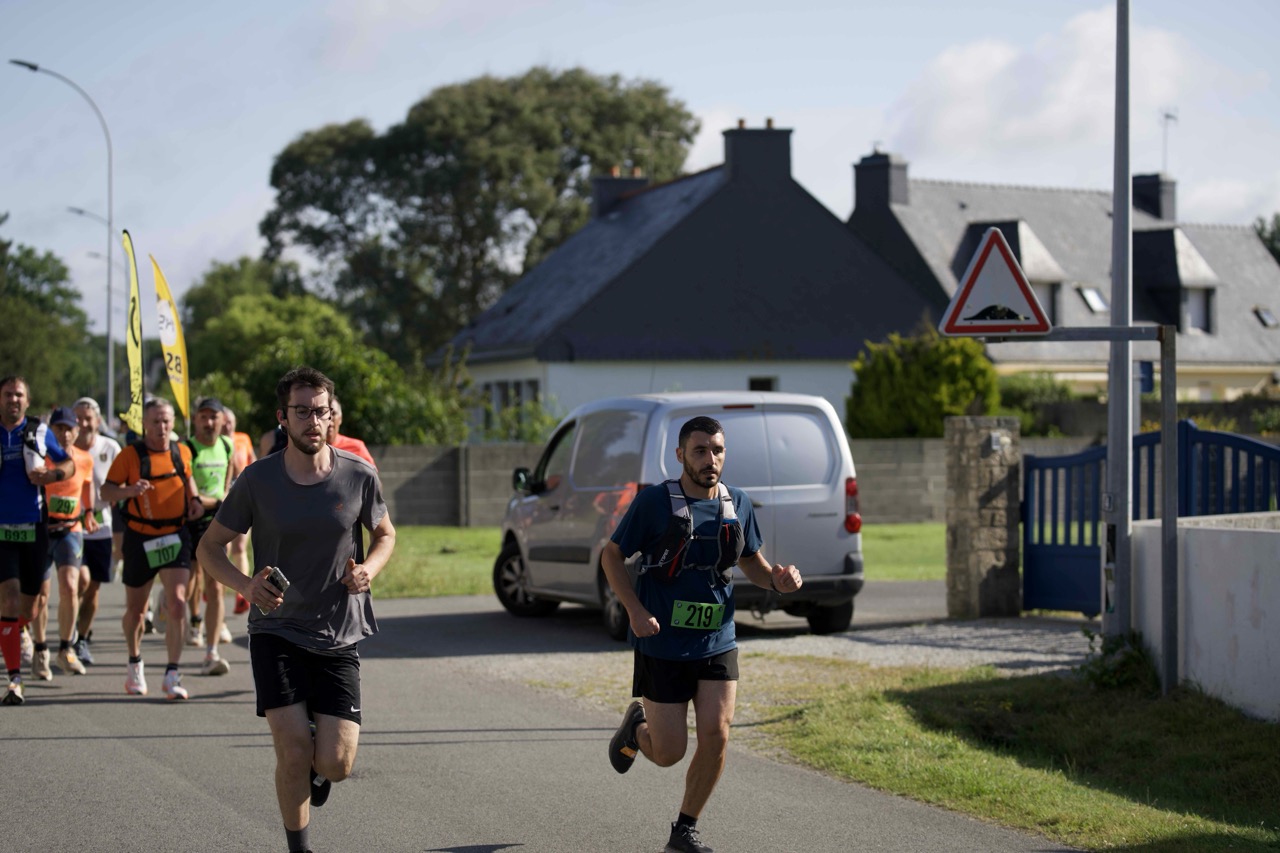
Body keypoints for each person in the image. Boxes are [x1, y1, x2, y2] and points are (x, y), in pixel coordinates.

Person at [198, 366, 395, 853]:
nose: (313, 421)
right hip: (276, 630)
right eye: (302, 411)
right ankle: (299, 848)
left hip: (338, 633)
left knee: (336, 764)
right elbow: (209, 548)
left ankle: (317, 767)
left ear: (332, 415)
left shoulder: (358, 475)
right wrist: (247, 586)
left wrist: (369, 569)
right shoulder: (257, 479)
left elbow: (385, 534)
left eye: (321, 411)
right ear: (282, 418)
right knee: (292, 751)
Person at [601, 416, 803, 853]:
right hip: (662, 643)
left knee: (717, 734)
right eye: (700, 451)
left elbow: (751, 562)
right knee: (669, 752)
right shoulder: (654, 503)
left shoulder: (738, 502)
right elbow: (612, 555)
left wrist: (777, 579)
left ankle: (684, 830)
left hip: (717, 639)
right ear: (680, 455)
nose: (710, 459)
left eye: (717, 450)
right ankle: (636, 728)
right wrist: (634, 610)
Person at [100, 398, 204, 701]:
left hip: (175, 535)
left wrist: (195, 501)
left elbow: (187, 479)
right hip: (140, 538)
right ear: (145, 424)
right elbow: (105, 491)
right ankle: (134, 662)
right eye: (156, 421)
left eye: (166, 421)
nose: (162, 427)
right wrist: (129, 491)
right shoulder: (130, 455)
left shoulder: (181, 451)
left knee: (178, 603)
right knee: (136, 611)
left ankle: (173, 673)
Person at [1, 377, 76, 706]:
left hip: (33, 527)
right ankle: (14, 679)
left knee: (31, 608)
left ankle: (11, 631)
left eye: (18, 395)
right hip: (1, 530)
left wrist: (52, 475)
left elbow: (69, 463)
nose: (13, 400)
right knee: (9, 597)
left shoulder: (38, 431)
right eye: (7, 394)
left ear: (27, 401)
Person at [185, 397, 241, 675]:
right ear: (195, 420)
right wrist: (217, 500)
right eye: (203, 417)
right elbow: (191, 495)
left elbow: (232, 474)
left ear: (222, 420)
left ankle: (212, 651)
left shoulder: (227, 445)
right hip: (191, 520)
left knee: (216, 585)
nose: (209, 423)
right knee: (190, 581)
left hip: (218, 522)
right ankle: (191, 619)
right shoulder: (187, 448)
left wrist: (226, 497)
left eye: (214, 417)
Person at [42, 406, 98, 676]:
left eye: (69, 429)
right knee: (39, 595)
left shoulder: (85, 459)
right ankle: (37, 644)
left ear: (77, 432)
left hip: (71, 529)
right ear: (50, 431)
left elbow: (87, 485)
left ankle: (66, 648)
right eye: (59, 429)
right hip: (42, 529)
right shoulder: (41, 456)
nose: (64, 434)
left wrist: (89, 512)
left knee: (70, 585)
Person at [71, 397, 121, 665]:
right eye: (78, 418)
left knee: (92, 589)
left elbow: (122, 482)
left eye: (88, 418)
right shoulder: (63, 448)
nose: (83, 424)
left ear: (98, 421)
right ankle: (71, 632)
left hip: (101, 527)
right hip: (72, 526)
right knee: (79, 580)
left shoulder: (110, 447)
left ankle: (81, 638)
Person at [222, 407, 256, 615]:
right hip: (222, 498)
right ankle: (216, 587)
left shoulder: (243, 439)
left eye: (230, 421)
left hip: (243, 494)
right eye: (224, 421)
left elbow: (253, 462)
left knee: (240, 546)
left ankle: (241, 596)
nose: (227, 425)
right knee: (223, 548)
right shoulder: (216, 443)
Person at [326, 397, 376, 470]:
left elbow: (372, 476)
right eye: (324, 413)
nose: (329, 418)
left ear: (340, 419)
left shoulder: (357, 448)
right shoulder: (310, 450)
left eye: (333, 413)